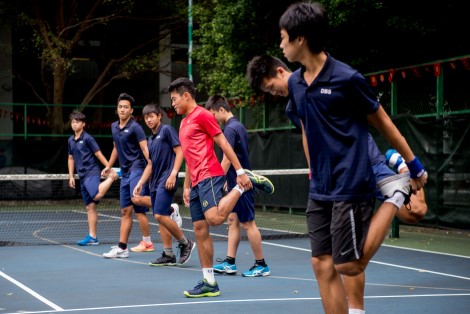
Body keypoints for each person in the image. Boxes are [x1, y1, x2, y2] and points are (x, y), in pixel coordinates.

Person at [247, 54, 428, 313]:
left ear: (279, 71)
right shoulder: (292, 106)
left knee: (415, 213)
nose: (273, 93)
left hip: (364, 163)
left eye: (270, 87)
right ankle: (356, 311)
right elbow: (309, 135)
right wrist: (315, 172)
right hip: (331, 180)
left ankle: (397, 169)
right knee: (329, 260)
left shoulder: (333, 80)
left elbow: (376, 119)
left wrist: (412, 165)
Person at [168, 77, 274, 298]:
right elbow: (188, 156)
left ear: (186, 95)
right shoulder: (184, 122)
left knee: (215, 219)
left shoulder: (204, 115)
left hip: (209, 175)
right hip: (196, 181)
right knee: (199, 229)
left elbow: (224, 144)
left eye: (175, 99)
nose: (173, 104)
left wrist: (240, 172)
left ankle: (243, 187)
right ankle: (209, 282)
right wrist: (186, 186)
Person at [205, 95, 270, 277]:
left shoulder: (230, 129)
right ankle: (230, 262)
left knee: (249, 224)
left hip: (242, 184)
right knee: (233, 220)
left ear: (222, 110)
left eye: (213, 115)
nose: (212, 119)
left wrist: (216, 181)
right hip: (235, 184)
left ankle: (261, 264)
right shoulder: (237, 126)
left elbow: (226, 159)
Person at [133, 103, 196, 266]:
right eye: (146, 117)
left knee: (159, 215)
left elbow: (180, 151)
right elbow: (150, 165)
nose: (149, 120)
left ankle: (185, 242)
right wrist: (141, 182)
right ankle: (168, 255)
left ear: (159, 116)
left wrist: (174, 173)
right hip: (154, 183)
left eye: (152, 116)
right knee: (162, 218)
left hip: (167, 180)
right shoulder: (151, 139)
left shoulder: (167, 130)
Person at [101, 93, 154, 258]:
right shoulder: (114, 127)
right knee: (126, 210)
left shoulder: (136, 128)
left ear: (131, 111)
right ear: (117, 109)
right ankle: (122, 248)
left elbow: (145, 149)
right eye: (120, 107)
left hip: (138, 167)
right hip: (124, 172)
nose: (122, 109)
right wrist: (109, 166)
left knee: (136, 200)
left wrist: (152, 165)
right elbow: (116, 148)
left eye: (126, 107)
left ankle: (168, 208)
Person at [67, 110, 119, 246]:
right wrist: (71, 176)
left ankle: (114, 177)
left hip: (92, 171)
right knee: (90, 207)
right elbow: (71, 158)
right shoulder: (70, 141)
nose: (74, 124)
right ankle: (93, 237)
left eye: (77, 122)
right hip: (82, 176)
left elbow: (98, 154)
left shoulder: (88, 138)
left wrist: (109, 168)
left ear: (83, 124)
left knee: (96, 195)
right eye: (73, 122)